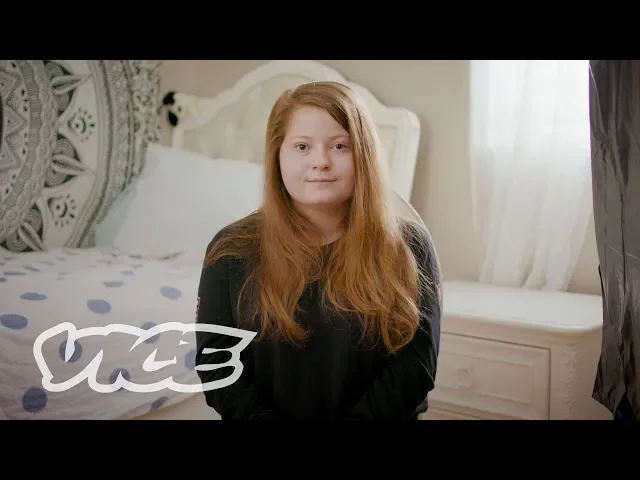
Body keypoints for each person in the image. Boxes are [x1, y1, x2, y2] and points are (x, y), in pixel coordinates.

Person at [194, 81, 442, 420]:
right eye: (302, 146)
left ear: (364, 154)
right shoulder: (229, 252)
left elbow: (417, 366)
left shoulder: (410, 246)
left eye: (339, 146)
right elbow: (218, 366)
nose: (321, 161)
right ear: (277, 155)